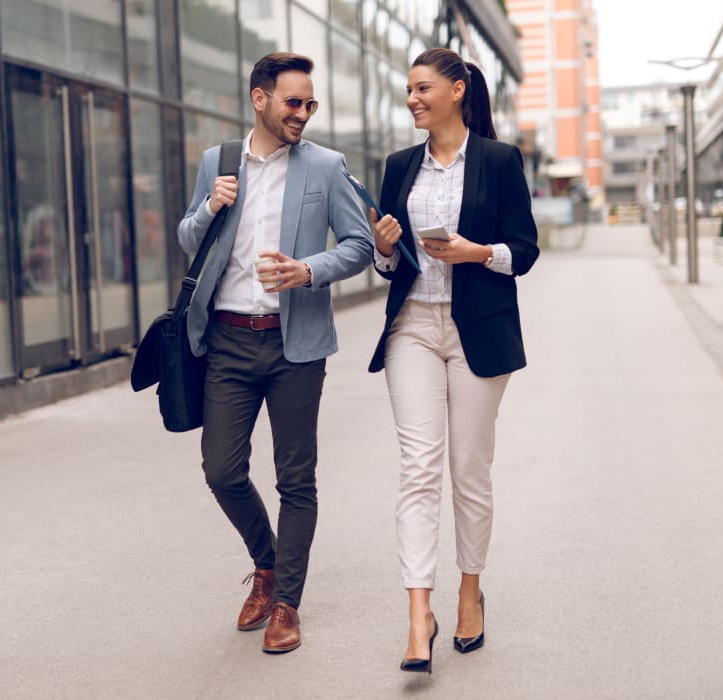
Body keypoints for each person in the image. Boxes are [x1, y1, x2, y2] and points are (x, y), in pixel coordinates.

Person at [178, 52, 373, 654]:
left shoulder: (325, 166)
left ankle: (286, 601)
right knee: (221, 470)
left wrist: (307, 270)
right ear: (260, 99)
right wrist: (210, 206)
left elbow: (361, 244)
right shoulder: (219, 162)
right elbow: (189, 239)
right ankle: (265, 564)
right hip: (229, 341)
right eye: (294, 102)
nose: (304, 113)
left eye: (311, 103)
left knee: (296, 479)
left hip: (295, 346)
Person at [367, 48, 539, 673]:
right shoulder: (398, 166)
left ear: (458, 90)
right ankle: (419, 615)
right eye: (408, 90)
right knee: (418, 468)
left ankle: (470, 590)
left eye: (422, 88)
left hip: (477, 334)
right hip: (412, 325)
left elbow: (524, 251)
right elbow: (389, 267)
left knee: (468, 469)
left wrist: (476, 253)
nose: (413, 99)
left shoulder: (499, 161)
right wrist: (385, 250)